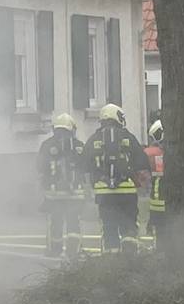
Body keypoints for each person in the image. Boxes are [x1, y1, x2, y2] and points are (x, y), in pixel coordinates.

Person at [86, 104, 147, 251]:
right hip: (127, 192)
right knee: (129, 226)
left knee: (109, 226)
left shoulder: (94, 139)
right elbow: (142, 162)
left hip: (104, 193)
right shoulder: (128, 137)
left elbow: (84, 164)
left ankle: (110, 262)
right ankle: (129, 258)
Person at [37, 112, 86, 257]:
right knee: (74, 222)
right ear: (72, 129)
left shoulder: (46, 145)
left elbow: (40, 167)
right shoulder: (79, 146)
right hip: (75, 193)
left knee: (55, 222)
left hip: (53, 195)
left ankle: (55, 250)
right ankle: (74, 251)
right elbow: (85, 166)